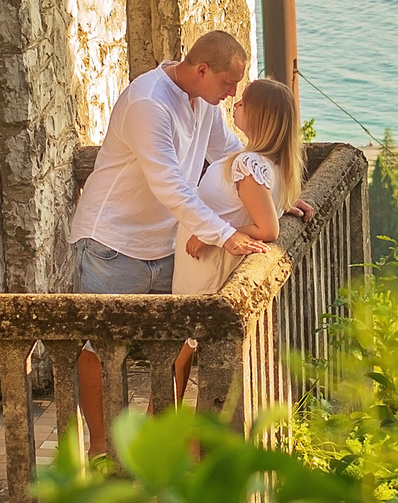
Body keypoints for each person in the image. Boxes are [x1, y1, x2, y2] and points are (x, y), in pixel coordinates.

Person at [68, 31, 267, 455]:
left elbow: (231, 155)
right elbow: (171, 185)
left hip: (166, 244)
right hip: (111, 241)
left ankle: (151, 448)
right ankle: (103, 448)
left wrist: (278, 197)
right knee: (102, 346)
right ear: (201, 70)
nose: (233, 95)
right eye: (228, 84)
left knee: (180, 344)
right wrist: (225, 234)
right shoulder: (149, 103)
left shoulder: (203, 102)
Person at [169, 77, 304, 397]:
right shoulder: (265, 163)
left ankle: (163, 439)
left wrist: (213, 235)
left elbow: (267, 229)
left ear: (261, 114)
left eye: (245, 100)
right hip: (201, 267)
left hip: (207, 270)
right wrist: (285, 206)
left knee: (176, 362)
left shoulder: (248, 163)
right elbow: (258, 209)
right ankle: (167, 436)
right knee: (178, 362)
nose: (236, 103)